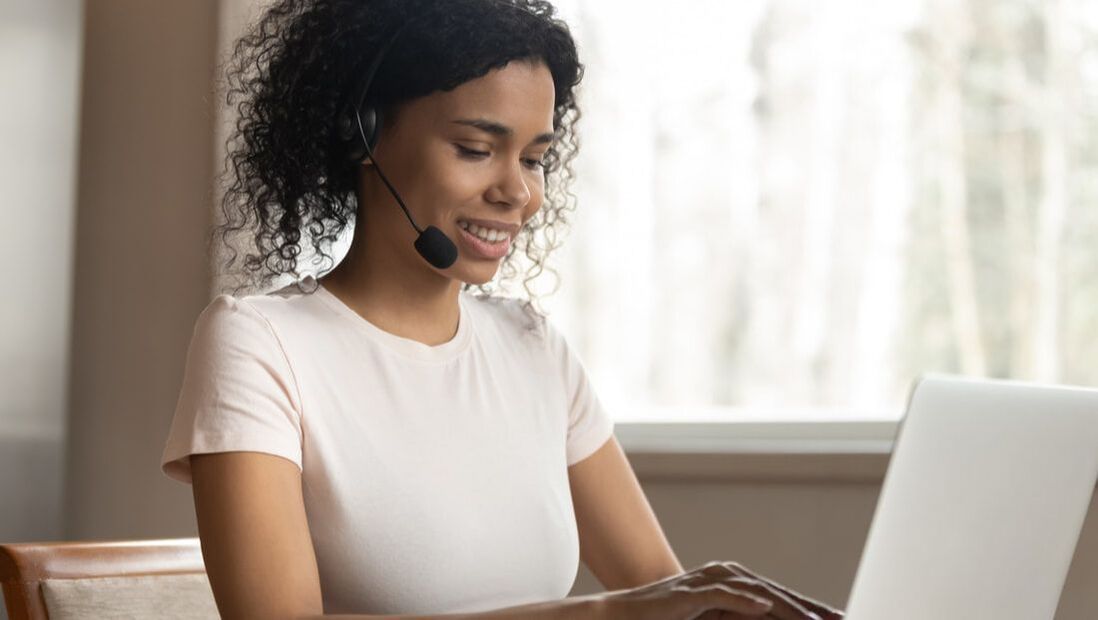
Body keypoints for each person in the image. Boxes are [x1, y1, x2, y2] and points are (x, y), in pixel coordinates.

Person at [160, 0, 845, 618]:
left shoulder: (531, 348)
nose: (517, 192)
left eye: (536, 158)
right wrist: (599, 615)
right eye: (476, 149)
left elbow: (663, 591)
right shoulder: (259, 343)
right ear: (361, 136)